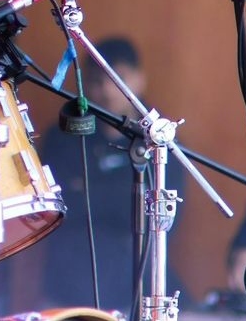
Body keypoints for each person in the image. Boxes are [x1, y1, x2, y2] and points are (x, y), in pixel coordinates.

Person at [21, 36, 187, 315]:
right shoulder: (62, 137)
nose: (108, 90)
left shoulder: (161, 143)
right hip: (67, 293)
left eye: (118, 78)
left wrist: (86, 190)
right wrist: (121, 195)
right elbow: (54, 209)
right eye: (98, 81)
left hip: (137, 293)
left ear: (139, 79)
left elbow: (161, 218)